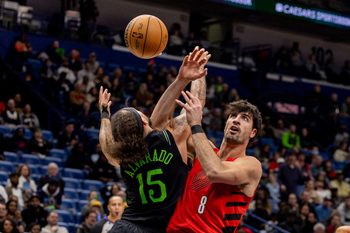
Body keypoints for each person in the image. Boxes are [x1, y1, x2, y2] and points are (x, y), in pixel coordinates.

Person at [99, 47, 210, 233]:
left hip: (126, 227)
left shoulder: (122, 154)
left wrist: (104, 114)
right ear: (143, 120)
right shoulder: (170, 138)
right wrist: (195, 75)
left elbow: (105, 142)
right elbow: (195, 104)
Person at [167, 91, 262, 233]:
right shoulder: (204, 149)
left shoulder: (252, 165)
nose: (236, 120)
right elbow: (182, 124)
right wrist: (196, 74)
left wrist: (196, 124)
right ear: (226, 123)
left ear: (253, 133)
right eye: (233, 116)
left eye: (244, 118)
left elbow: (215, 171)